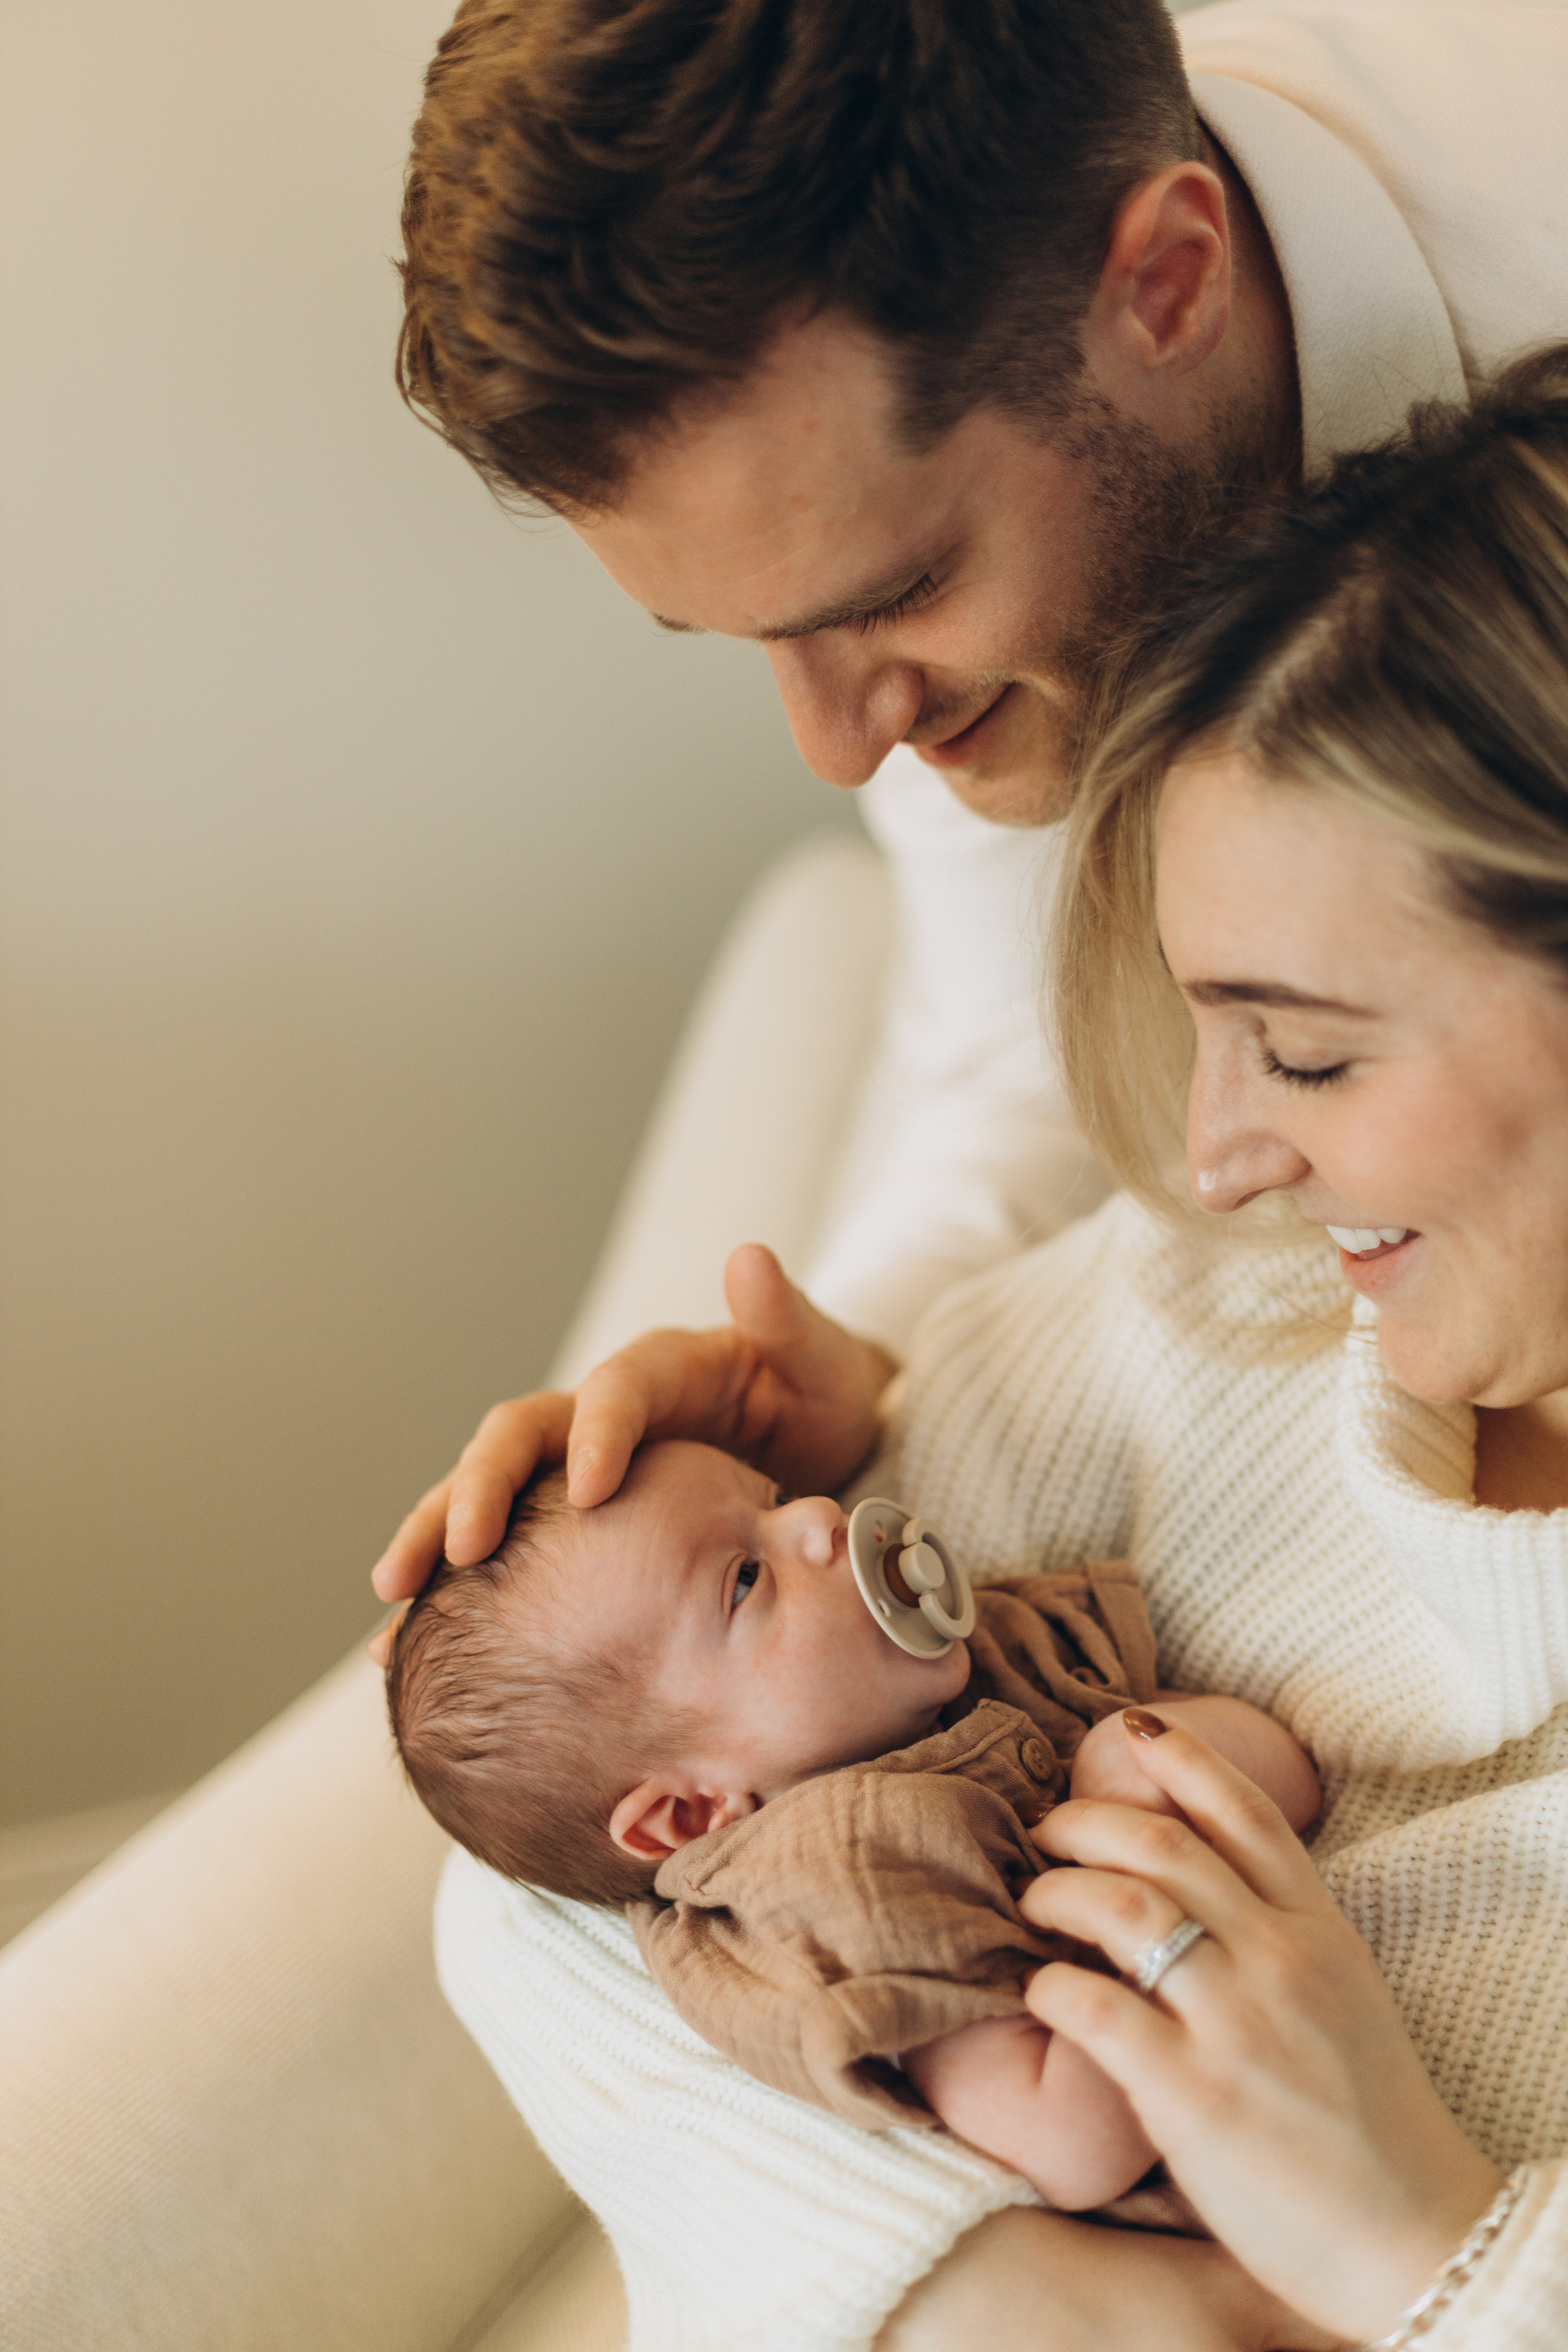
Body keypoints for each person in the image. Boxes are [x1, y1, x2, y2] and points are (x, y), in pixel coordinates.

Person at [426, 360, 1568, 2344]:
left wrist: (1436, 2252)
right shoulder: (1198, 1319)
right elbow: (540, 1898)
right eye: (1205, 1028)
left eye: (1306, 1053)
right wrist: (1042, 2301)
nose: (1217, 1155)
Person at [379, 0, 1568, 1412]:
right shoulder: (927, 524)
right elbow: (1030, 1062)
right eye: (748, 639)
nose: (838, 749)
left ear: (1168, 284)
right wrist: (852, 1377)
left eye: (894, 590)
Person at [385, 1439, 1318, 2212]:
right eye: (746, 1578)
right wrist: (1133, 1838)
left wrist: (1147, 1765)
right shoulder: (842, 1882)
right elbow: (1077, 2146)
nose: (819, 1518)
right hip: (1256, 2201)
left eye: (773, 1497)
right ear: (693, 1812)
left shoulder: (967, 1660)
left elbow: (1293, 1775)